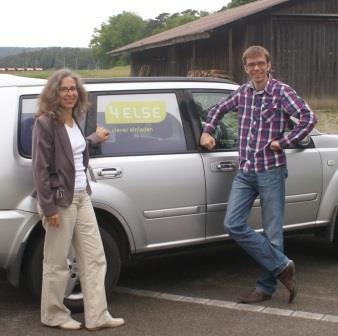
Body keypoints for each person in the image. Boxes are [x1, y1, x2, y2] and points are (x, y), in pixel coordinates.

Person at [200, 45, 317, 304]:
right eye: (251, 65)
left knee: (273, 233)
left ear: (268, 64)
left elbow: (308, 118)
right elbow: (217, 109)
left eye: (260, 64)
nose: (256, 69)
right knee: (233, 224)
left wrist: (284, 141)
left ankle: (265, 288)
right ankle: (283, 265)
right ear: (245, 68)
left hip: (271, 171)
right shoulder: (242, 93)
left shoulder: (281, 92)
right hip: (246, 171)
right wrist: (207, 130)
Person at [32, 69, 125, 330]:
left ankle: (97, 315)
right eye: (64, 89)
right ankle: (53, 314)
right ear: (54, 93)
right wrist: (48, 206)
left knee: (95, 257)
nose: (70, 93)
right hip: (61, 201)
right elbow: (40, 168)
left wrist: (94, 138)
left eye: (73, 89)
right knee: (57, 261)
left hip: (83, 196)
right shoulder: (45, 123)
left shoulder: (74, 119)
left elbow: (72, 149)